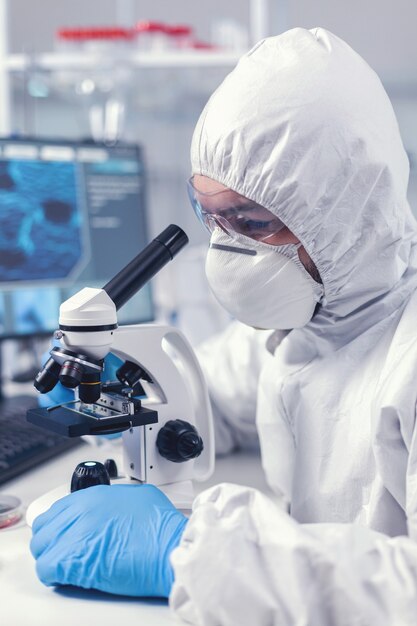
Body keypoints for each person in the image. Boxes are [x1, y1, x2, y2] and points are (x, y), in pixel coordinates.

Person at [30, 27, 417, 624]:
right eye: (212, 218)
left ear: (344, 210)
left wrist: (189, 556)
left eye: (251, 221)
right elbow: (213, 404)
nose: (227, 250)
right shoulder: (310, 323)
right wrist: (126, 382)